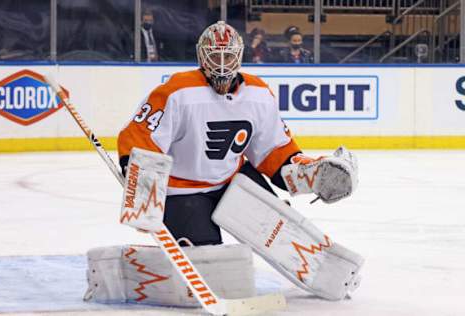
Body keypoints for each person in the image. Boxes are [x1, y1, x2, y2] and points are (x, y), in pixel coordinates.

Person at [117, 21, 350, 246]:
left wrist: (308, 173)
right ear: (202, 57)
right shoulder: (178, 91)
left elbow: (273, 150)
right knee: (209, 259)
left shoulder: (258, 93)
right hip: (182, 190)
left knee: (281, 233)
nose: (221, 64)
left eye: (227, 56)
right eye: (214, 56)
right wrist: (143, 194)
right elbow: (140, 138)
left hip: (233, 182)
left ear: (238, 56)